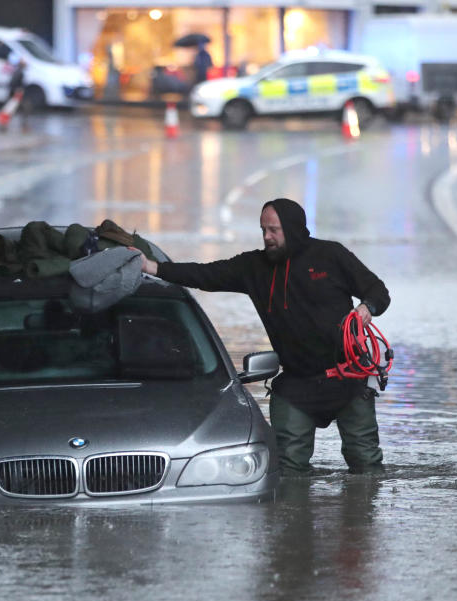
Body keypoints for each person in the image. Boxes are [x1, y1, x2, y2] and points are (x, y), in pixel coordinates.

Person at [139, 198, 391, 475]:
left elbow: (378, 290)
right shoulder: (254, 267)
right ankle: (293, 515)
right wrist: (154, 268)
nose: (267, 237)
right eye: (263, 230)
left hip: (348, 380)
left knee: (366, 466)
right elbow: (205, 274)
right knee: (287, 471)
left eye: (274, 230)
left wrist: (368, 307)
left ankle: (361, 516)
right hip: (297, 385)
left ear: (293, 229)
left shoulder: (330, 256)